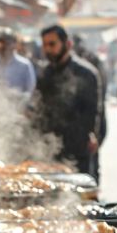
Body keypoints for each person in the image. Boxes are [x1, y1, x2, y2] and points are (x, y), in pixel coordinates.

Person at [34, 25, 103, 178]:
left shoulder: (86, 73)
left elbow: (93, 113)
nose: (48, 49)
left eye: (52, 44)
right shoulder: (45, 73)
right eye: (45, 45)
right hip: (48, 148)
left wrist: (91, 138)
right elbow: (39, 108)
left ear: (67, 44)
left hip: (77, 150)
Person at [0, 30, 36, 99]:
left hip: (16, 107)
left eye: (8, 43)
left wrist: (14, 95)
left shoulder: (25, 65)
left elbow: (29, 92)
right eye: (1, 42)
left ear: (15, 44)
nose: (4, 46)